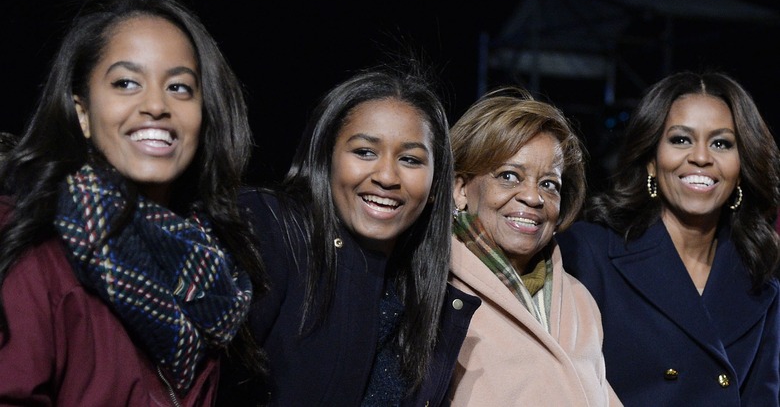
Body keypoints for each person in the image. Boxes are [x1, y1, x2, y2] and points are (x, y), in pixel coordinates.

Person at [0, 0, 267, 406]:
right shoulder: (30, 240)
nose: (156, 105)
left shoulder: (209, 271)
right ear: (82, 113)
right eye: (126, 83)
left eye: (180, 87)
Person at [219, 63, 480, 406]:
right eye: (364, 152)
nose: (387, 175)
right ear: (326, 159)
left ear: (436, 185)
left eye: (411, 160)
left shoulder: (428, 298)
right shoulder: (272, 230)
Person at [556, 71, 780, 405]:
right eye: (681, 140)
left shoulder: (759, 273)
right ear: (651, 160)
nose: (701, 157)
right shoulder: (587, 252)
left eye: (721, 143)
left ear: (741, 165)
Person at [447, 86, 621, 405]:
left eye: (548, 184)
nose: (533, 197)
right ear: (460, 188)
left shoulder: (581, 301)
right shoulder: (434, 292)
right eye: (510, 176)